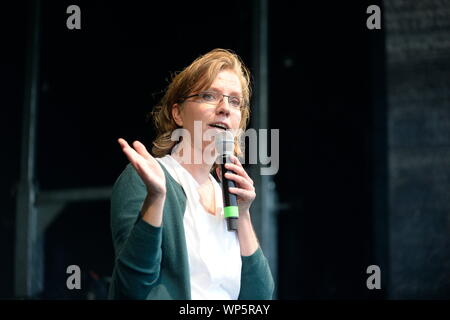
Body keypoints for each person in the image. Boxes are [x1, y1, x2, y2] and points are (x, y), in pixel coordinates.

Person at [108, 48, 274, 300]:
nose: (224, 108)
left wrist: (243, 215)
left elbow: (260, 297)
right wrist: (155, 197)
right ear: (177, 113)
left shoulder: (227, 195)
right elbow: (132, 287)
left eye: (235, 101)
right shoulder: (146, 178)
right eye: (209, 96)